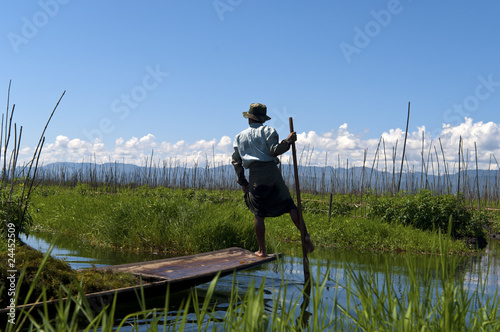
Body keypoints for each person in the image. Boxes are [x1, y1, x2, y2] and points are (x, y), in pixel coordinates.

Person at [232, 103, 314, 257]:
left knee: (259, 213)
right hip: (272, 174)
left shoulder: (239, 137)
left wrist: (243, 182)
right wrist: (288, 141)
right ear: (263, 119)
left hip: (255, 175)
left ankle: (261, 250)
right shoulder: (269, 131)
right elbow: (274, 151)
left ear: (249, 119)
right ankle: (305, 235)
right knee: (290, 206)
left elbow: (236, 161)